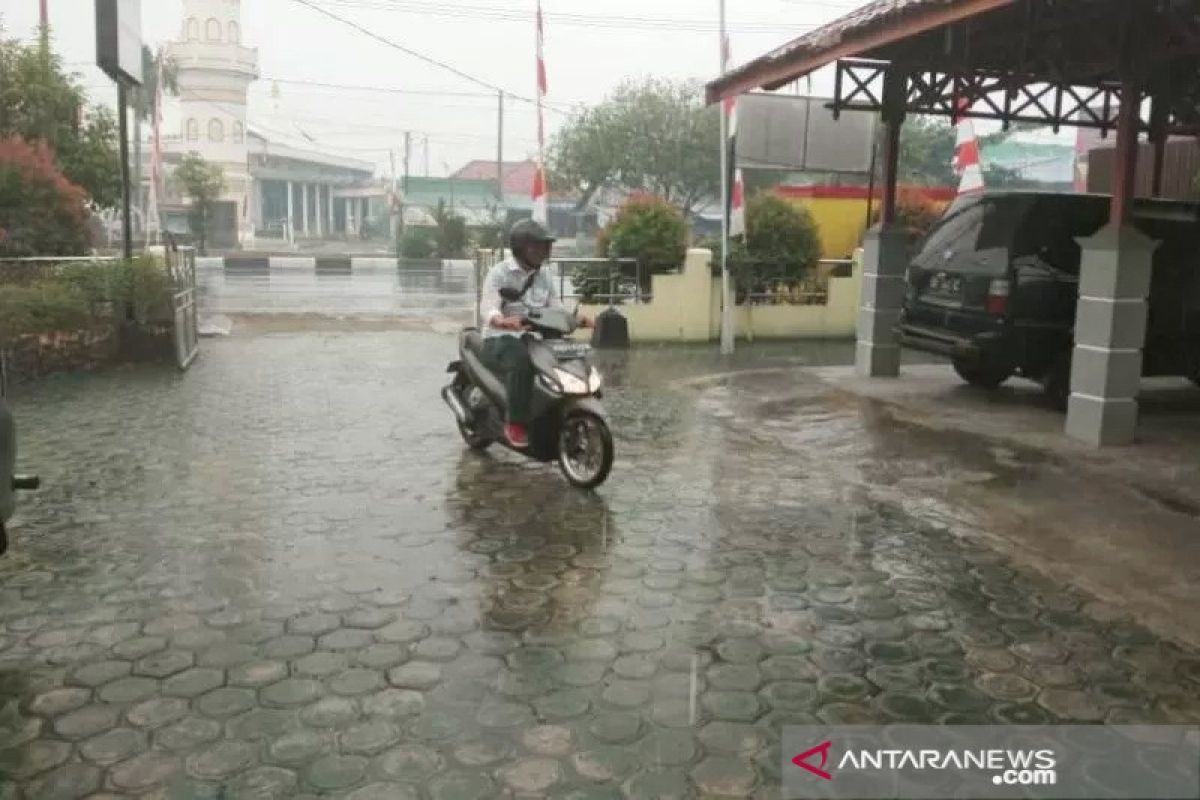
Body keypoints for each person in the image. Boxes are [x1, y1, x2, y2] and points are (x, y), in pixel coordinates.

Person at [481, 218, 592, 448]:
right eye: (536, 246)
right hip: (500, 338)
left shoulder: (545, 275)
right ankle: (516, 424)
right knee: (521, 361)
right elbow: (488, 306)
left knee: (567, 353)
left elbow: (556, 307)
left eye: (544, 246)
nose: (542, 251)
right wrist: (501, 321)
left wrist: (577, 319)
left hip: (536, 335)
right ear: (521, 248)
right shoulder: (500, 273)